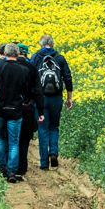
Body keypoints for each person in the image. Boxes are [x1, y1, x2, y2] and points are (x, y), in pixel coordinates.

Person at [0, 43, 44, 183]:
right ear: (18, 54)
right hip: (17, 110)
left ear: (5, 54)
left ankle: (1, 167)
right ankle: (12, 171)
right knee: (14, 141)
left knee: (0, 137)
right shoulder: (23, 70)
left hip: (0, 108)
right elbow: (28, 91)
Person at [30, 34, 73, 170]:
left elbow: (29, 77)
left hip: (40, 98)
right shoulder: (59, 58)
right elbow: (68, 78)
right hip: (56, 97)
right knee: (54, 126)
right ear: (53, 44)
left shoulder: (36, 57)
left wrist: (30, 97)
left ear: (41, 44)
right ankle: (53, 152)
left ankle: (44, 163)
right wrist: (69, 98)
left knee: (42, 129)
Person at [15, 43, 44, 179]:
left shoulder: (8, 66)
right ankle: (21, 168)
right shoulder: (32, 68)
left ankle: (11, 167)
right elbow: (38, 92)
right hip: (28, 107)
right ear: (26, 53)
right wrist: (41, 111)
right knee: (24, 139)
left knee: (13, 137)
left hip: (11, 107)